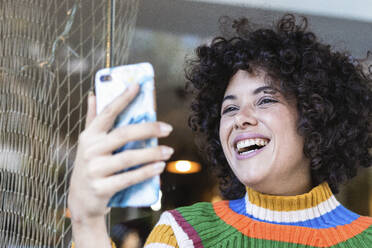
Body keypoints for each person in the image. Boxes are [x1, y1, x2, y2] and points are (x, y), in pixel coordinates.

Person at [68, 14, 372, 248]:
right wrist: (87, 221)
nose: (241, 118)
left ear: (316, 115)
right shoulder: (184, 234)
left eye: (265, 99)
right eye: (229, 108)